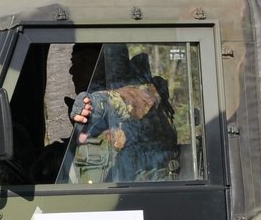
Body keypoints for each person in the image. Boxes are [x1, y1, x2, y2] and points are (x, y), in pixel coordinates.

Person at [65, 49, 179, 182]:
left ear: (102, 65)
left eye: (82, 62)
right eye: (74, 62)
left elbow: (125, 100)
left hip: (140, 197)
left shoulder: (145, 95)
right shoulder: (93, 117)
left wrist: (96, 104)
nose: (72, 70)